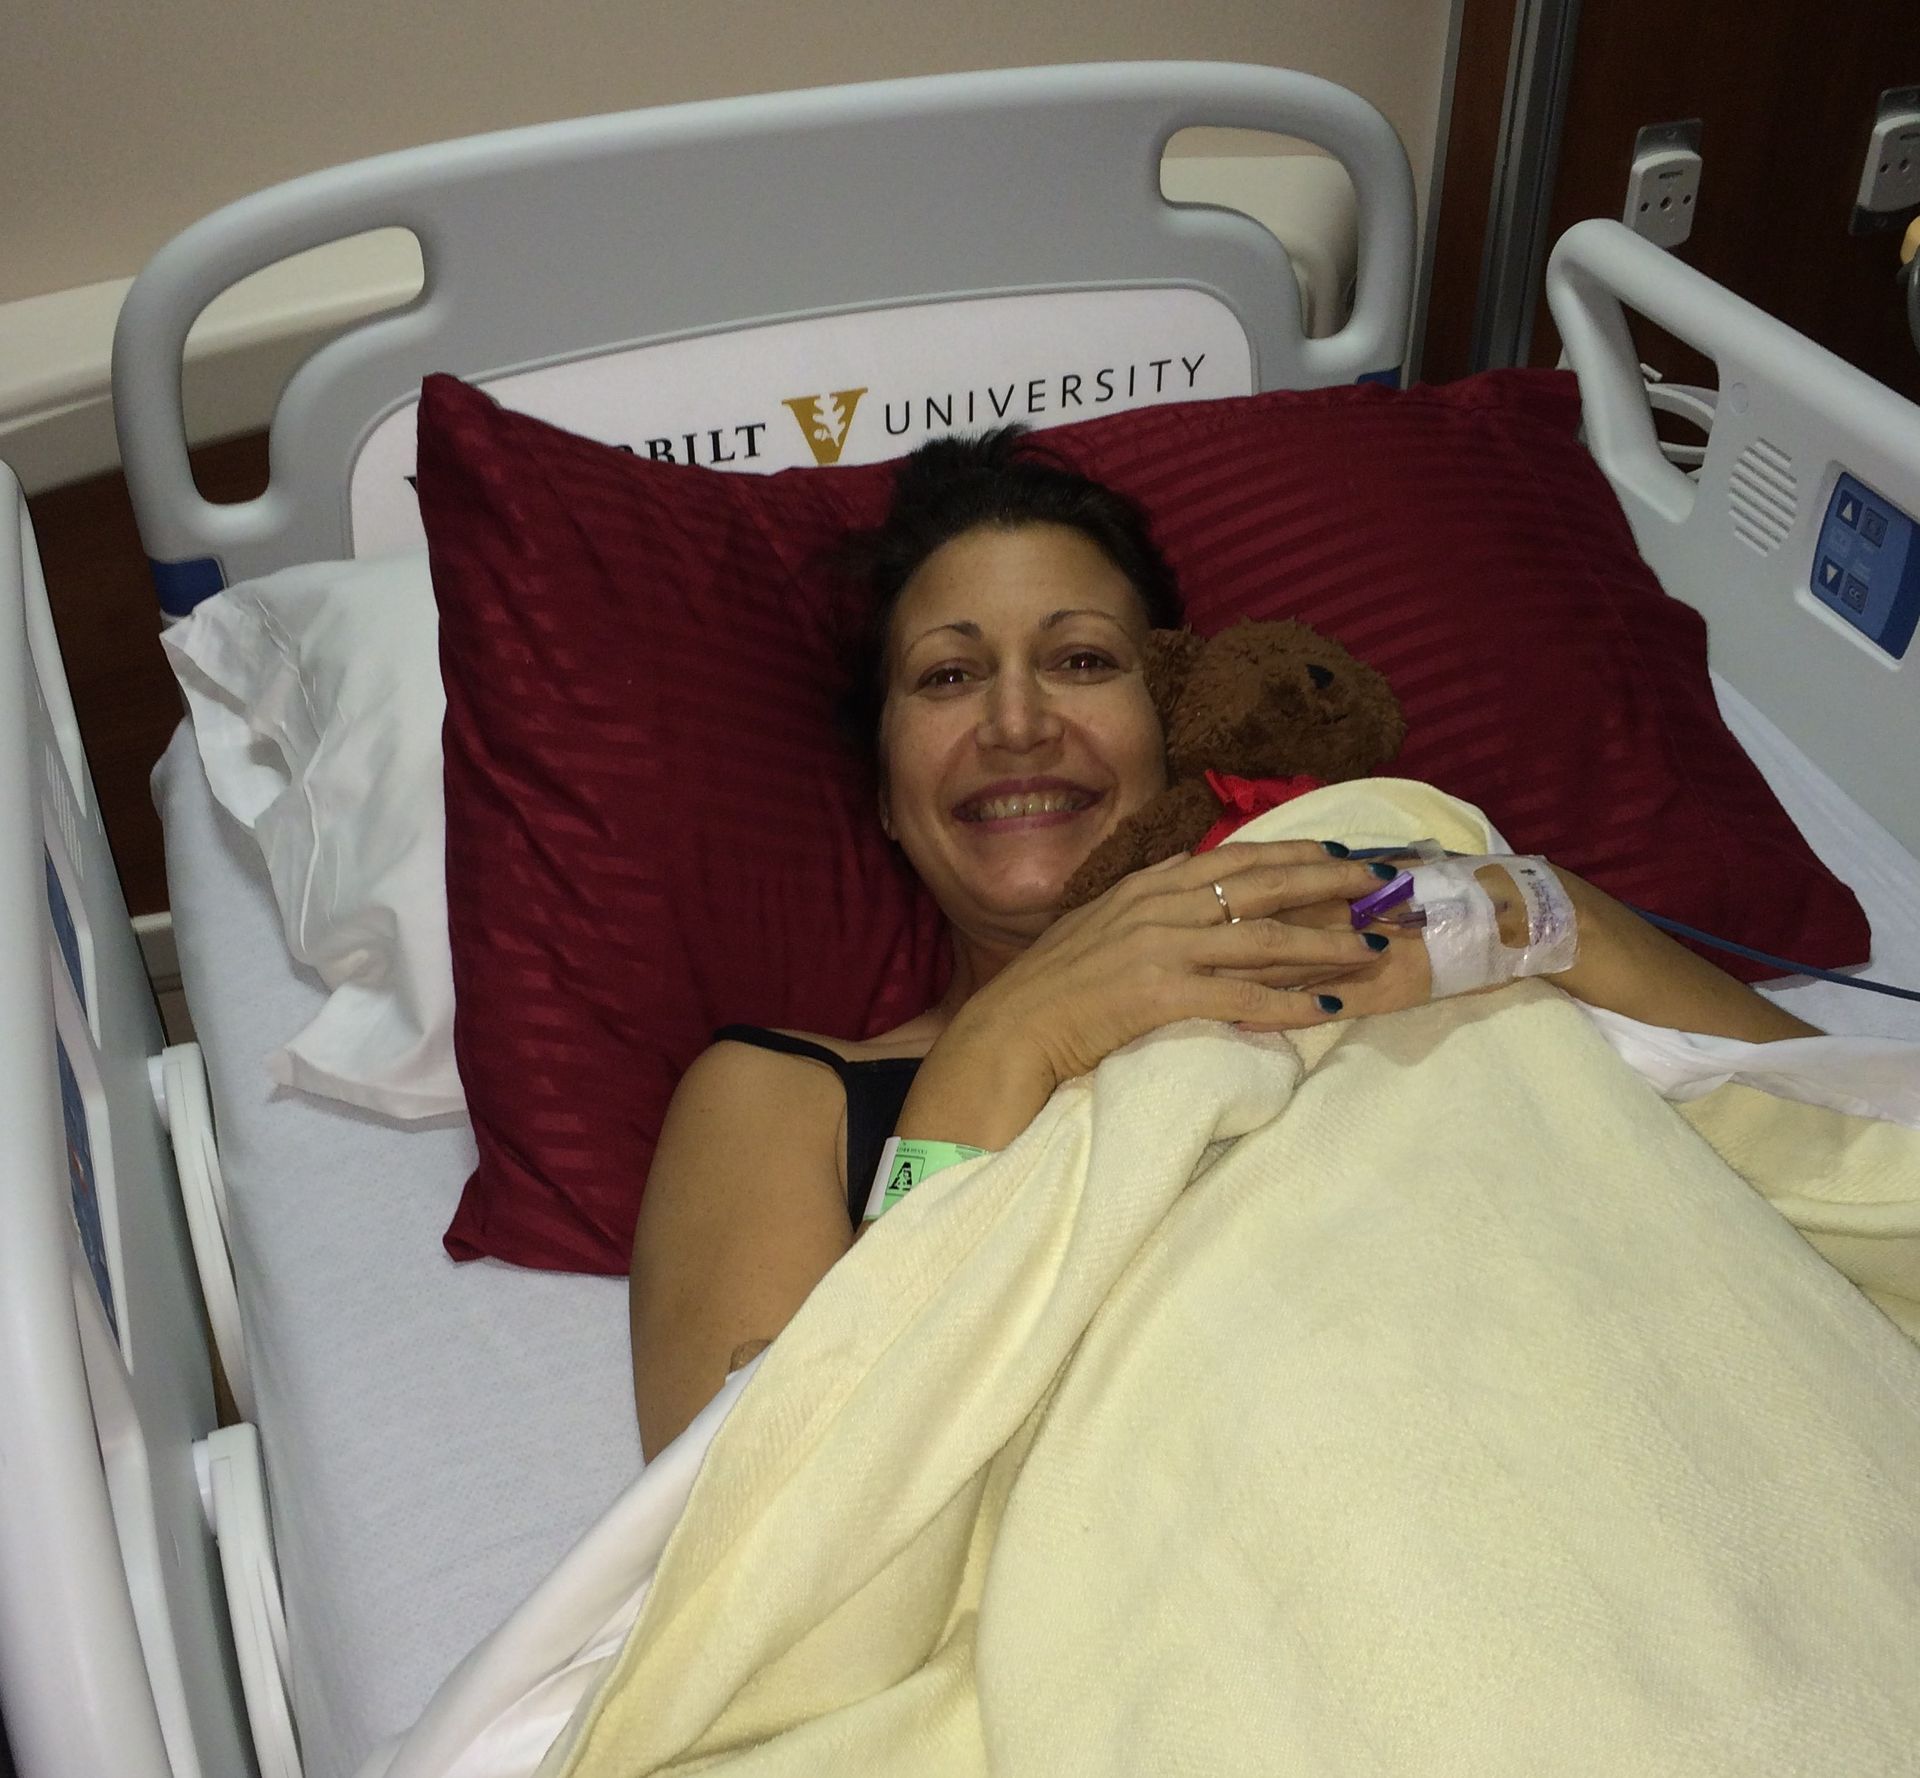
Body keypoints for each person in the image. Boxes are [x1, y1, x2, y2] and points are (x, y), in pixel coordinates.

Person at [627, 428, 1817, 1458]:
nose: (1017, 719)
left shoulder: (1401, 928)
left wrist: (1542, 913)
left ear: (1180, 720)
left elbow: (1856, 1138)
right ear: (885, 793)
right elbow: (753, 1534)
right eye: (947, 675)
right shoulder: (785, 1097)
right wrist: (1013, 1036)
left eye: (1083, 658)